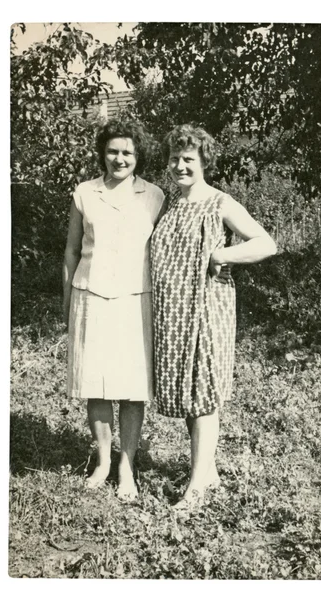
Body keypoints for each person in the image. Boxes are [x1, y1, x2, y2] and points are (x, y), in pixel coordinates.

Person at [151, 124, 277, 509]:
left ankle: (197, 488)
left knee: (203, 393)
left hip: (206, 310)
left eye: (188, 159)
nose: (179, 165)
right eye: (174, 158)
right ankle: (209, 474)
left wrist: (222, 255)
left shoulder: (220, 203)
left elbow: (265, 243)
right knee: (191, 393)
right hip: (174, 313)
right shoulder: (171, 204)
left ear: (204, 161)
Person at [63, 119, 164, 501]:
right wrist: (67, 298)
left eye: (127, 152)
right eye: (113, 151)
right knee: (97, 385)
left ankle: (127, 465)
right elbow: (72, 249)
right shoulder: (85, 193)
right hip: (90, 296)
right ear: (102, 154)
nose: (119, 158)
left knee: (132, 387)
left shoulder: (154, 196)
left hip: (136, 299)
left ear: (138, 157)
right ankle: (103, 460)